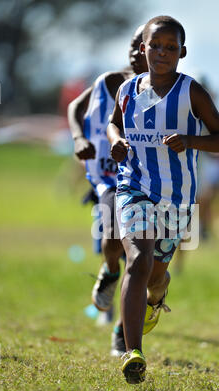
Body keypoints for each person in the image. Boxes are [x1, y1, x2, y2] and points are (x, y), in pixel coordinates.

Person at [107, 15, 219, 384]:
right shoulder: (128, 89)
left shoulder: (191, 92)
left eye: (171, 48)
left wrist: (190, 141)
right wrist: (116, 140)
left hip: (177, 199)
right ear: (143, 49)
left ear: (182, 52)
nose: (162, 53)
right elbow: (115, 122)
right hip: (133, 186)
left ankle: (157, 297)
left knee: (156, 275)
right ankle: (133, 352)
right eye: (155, 46)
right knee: (138, 259)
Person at [68, 25, 148, 354]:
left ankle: (121, 332)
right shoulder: (109, 82)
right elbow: (76, 107)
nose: (134, 50)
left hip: (151, 183)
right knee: (112, 238)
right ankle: (110, 270)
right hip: (110, 176)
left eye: (142, 45)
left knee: (145, 265)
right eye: (132, 44)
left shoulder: (173, 94)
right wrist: (79, 138)